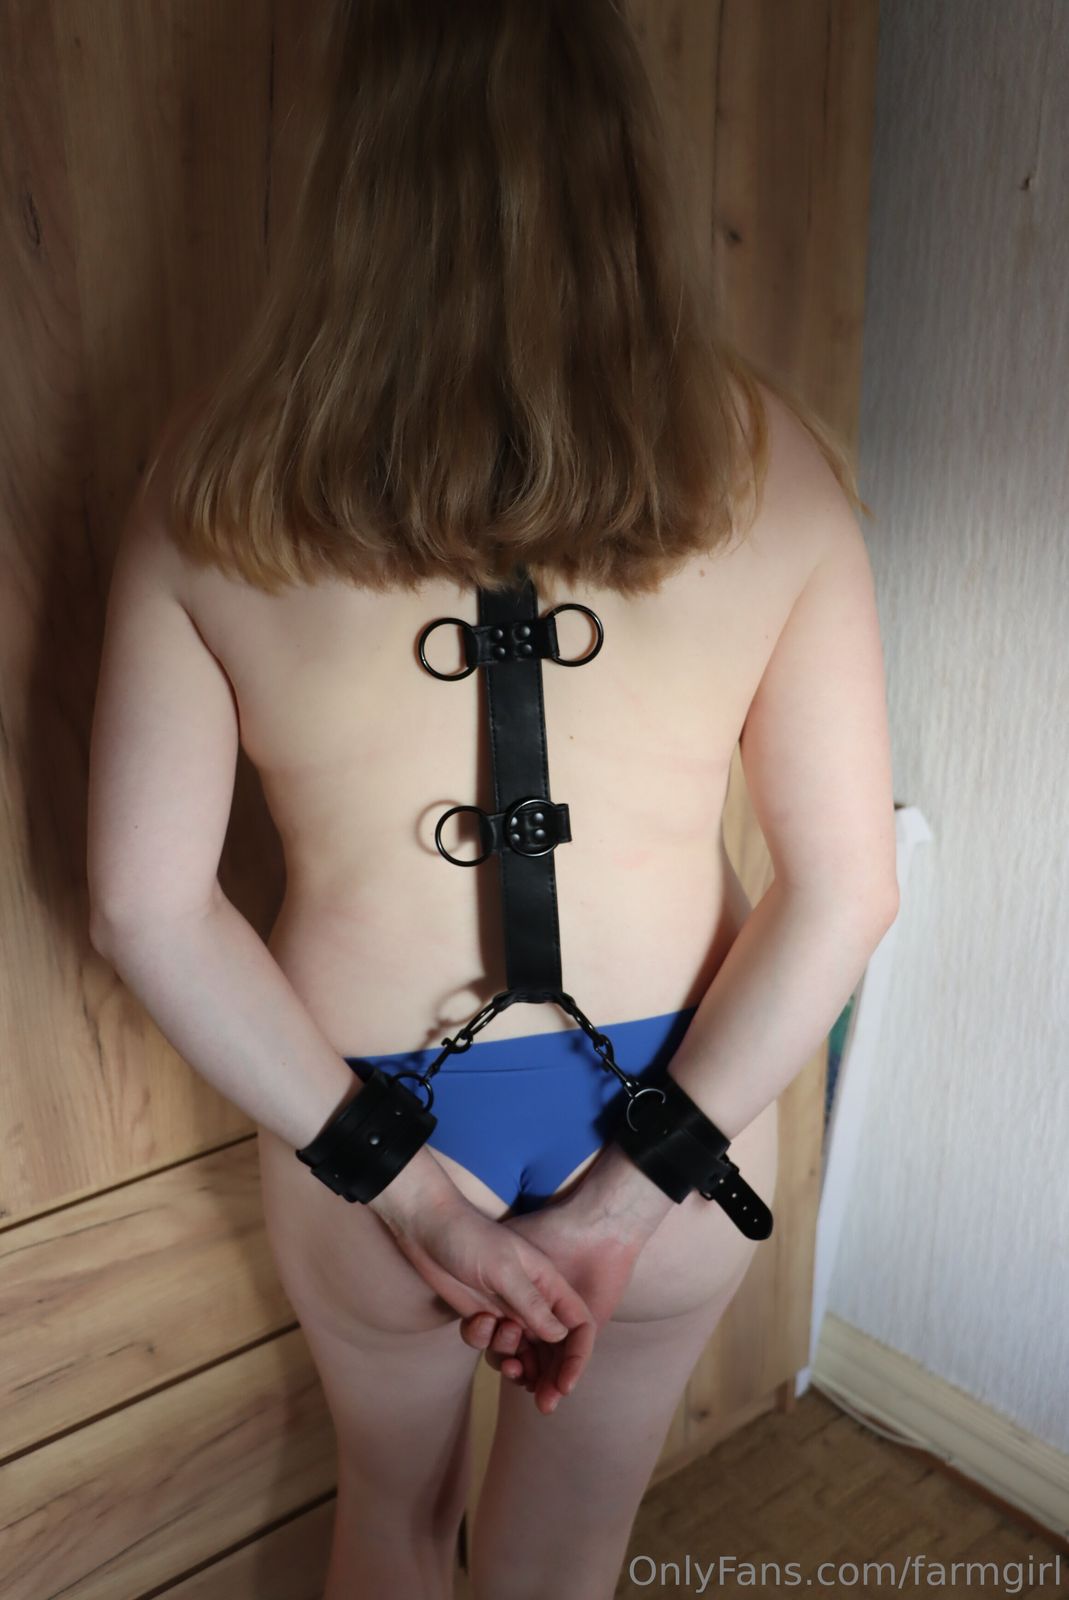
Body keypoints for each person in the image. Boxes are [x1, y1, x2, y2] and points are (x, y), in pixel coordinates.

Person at [86, 2, 900, 1597]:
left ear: (355, 172)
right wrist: (628, 1197)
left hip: (361, 1116)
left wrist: (411, 1197)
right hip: (685, 1103)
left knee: (390, 1518)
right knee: (569, 1550)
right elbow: (848, 891)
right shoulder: (772, 468)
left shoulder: (213, 480)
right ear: (625, 166)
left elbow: (142, 905)